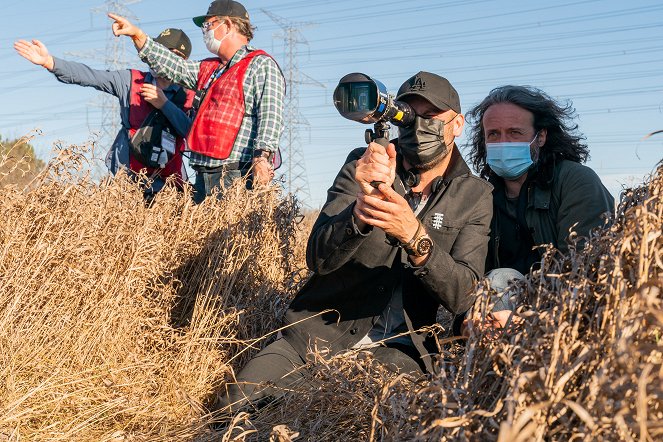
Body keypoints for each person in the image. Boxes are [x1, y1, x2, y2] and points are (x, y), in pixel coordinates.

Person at [215, 72, 493, 414]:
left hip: (401, 350)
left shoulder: (475, 195)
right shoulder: (362, 165)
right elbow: (318, 257)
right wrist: (358, 214)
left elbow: (464, 294)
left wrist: (415, 238)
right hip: (317, 334)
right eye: (409, 117)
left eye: (432, 117)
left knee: (361, 423)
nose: (419, 128)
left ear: (458, 124)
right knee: (232, 409)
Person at [462, 85, 615, 330]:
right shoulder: (482, 195)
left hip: (564, 318)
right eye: (493, 134)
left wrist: (527, 322)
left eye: (514, 132)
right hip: (497, 316)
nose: (503, 143)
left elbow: (587, 274)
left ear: (540, 137)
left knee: (502, 279)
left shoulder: (576, 182)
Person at [108, 0, 285, 203]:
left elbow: (270, 116)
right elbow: (174, 67)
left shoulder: (260, 64)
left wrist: (262, 158)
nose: (205, 31)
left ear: (227, 26)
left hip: (236, 175)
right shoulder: (209, 69)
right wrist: (137, 36)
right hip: (203, 175)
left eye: (208, 24)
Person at [13, 29, 195, 199]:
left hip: (168, 188)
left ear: (179, 61)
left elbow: (191, 133)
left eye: (164, 53)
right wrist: (50, 62)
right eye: (157, 50)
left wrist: (164, 104)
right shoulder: (131, 80)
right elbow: (91, 76)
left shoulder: (189, 95)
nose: (156, 58)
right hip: (127, 183)